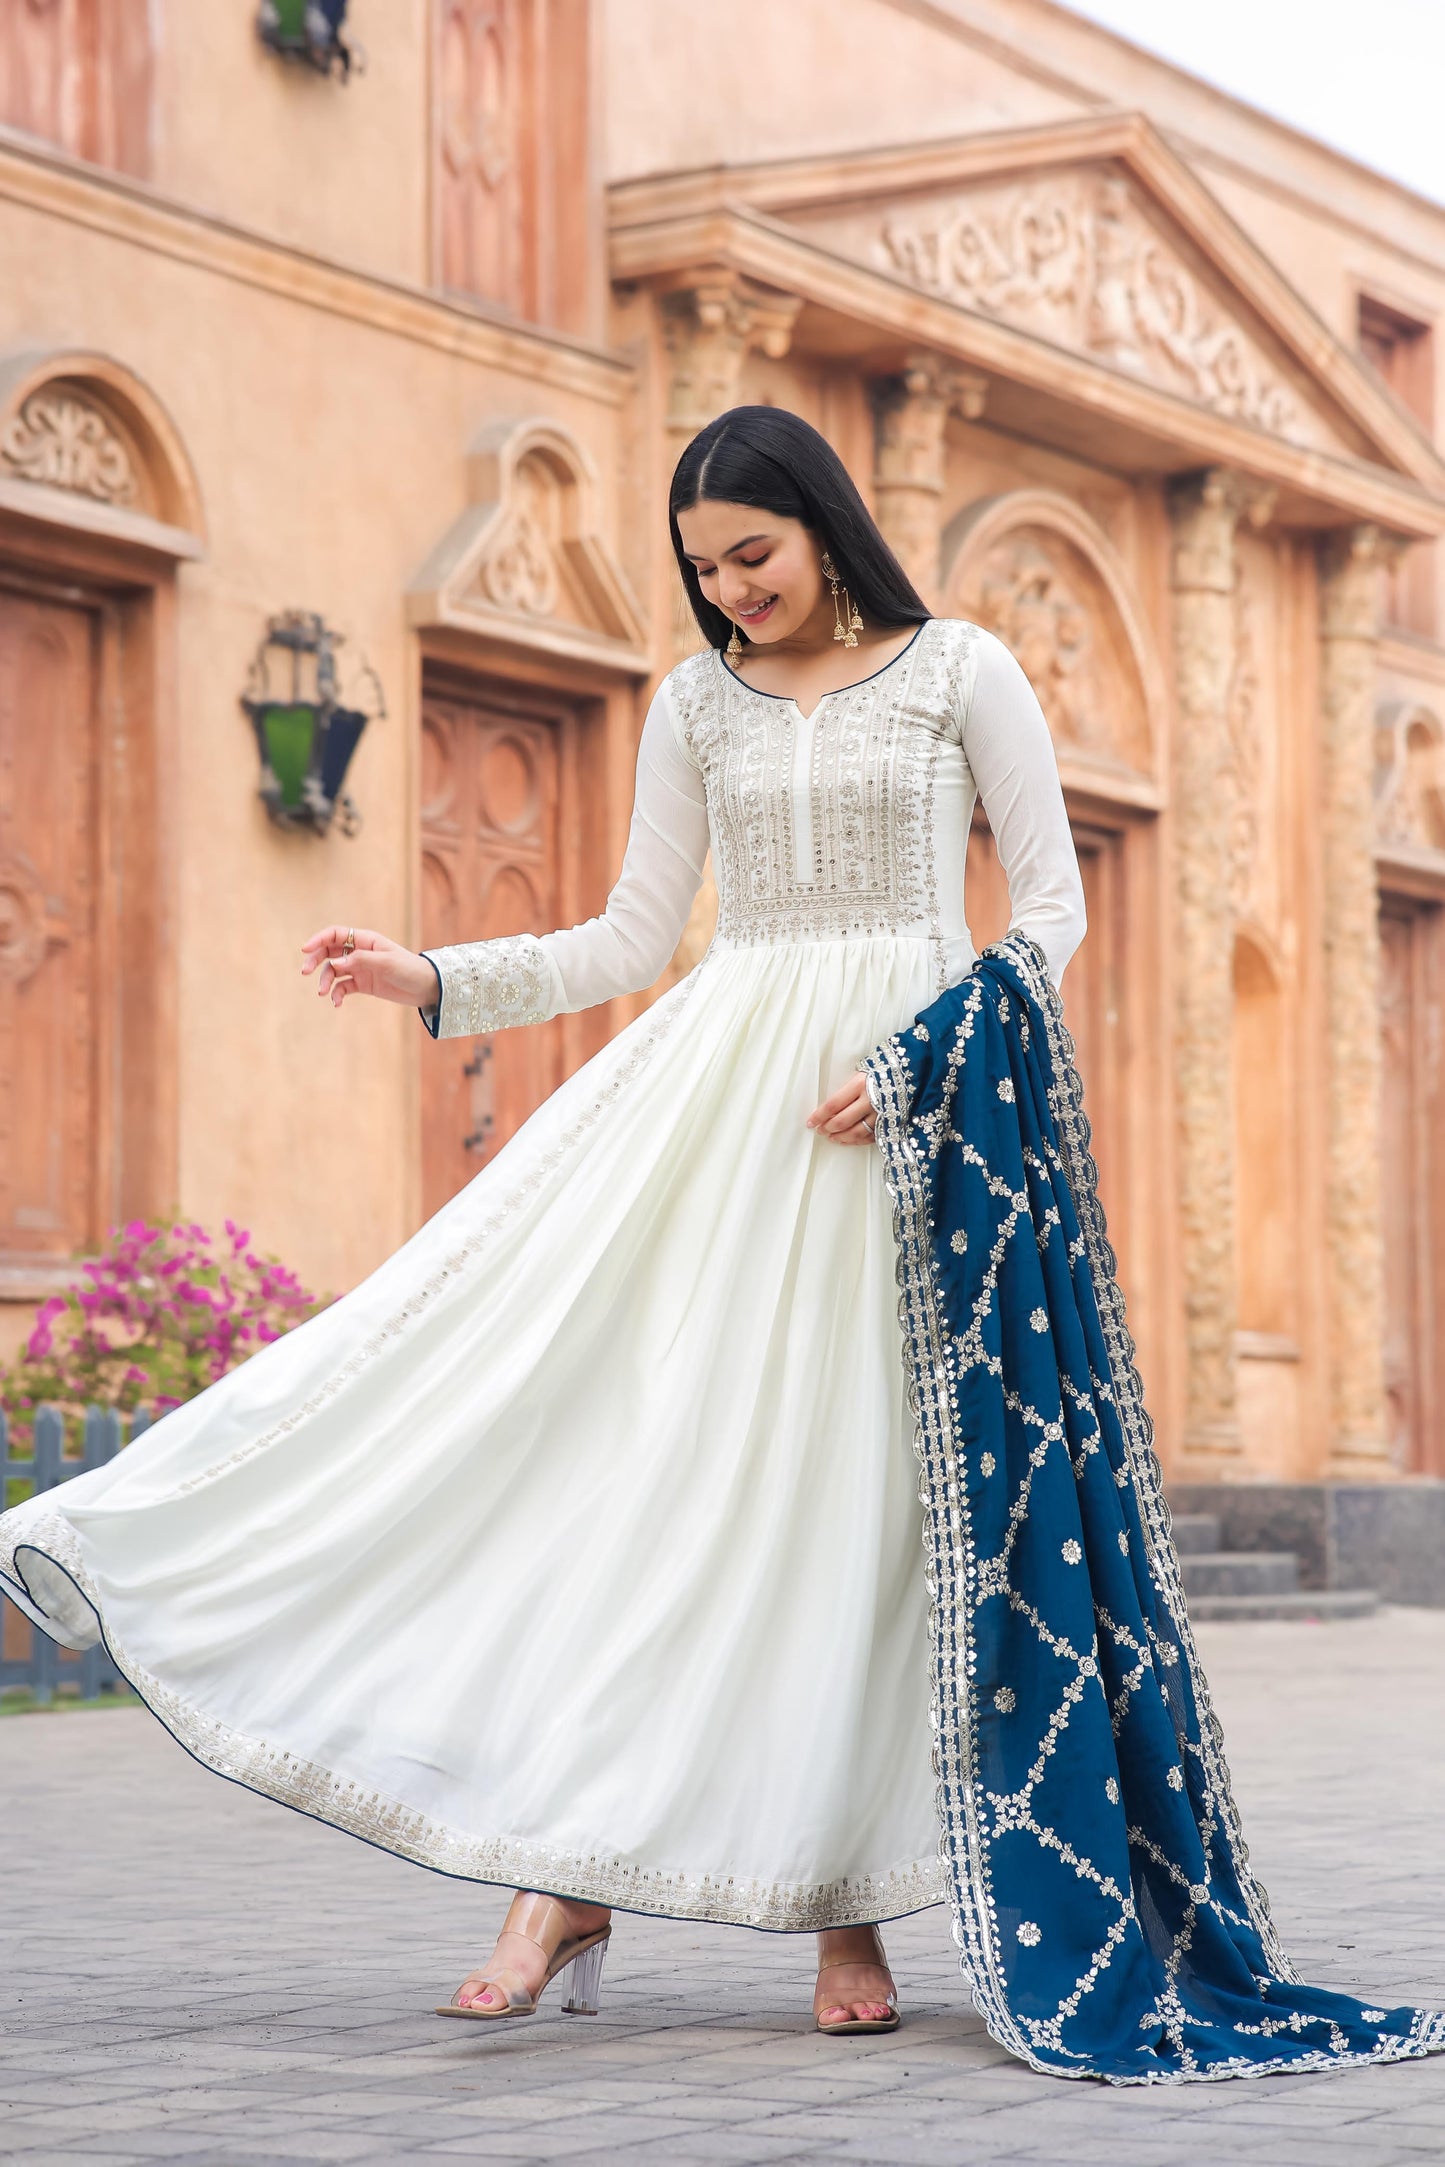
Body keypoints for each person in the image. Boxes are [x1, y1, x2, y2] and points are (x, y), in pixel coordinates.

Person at [21, 408, 1435, 2080]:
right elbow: (635, 930)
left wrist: (919, 1062)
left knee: (855, 1506)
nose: (729, 591)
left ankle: (842, 1911)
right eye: (702, 569)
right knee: (649, 1469)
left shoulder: (960, 670)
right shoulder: (694, 705)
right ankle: (566, 1878)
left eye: (749, 557)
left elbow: (1048, 911)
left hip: (903, 1131)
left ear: (824, 530)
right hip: (722, 1113)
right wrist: (439, 979)